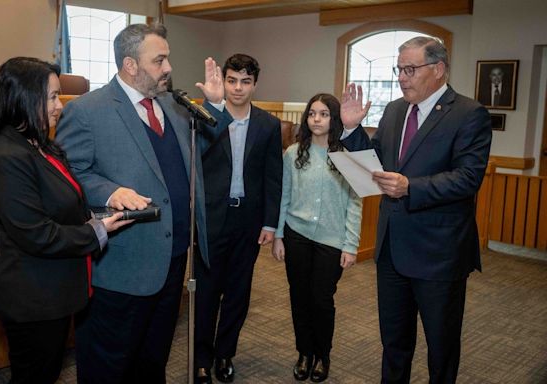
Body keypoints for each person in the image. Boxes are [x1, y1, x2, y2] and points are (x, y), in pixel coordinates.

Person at [55, 24, 227, 383]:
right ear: (131, 65)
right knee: (110, 364)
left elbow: (202, 149)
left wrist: (214, 103)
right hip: (122, 265)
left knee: (154, 359)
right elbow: (68, 175)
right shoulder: (89, 111)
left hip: (174, 257)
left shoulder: (173, 104)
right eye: (159, 60)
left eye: (167, 58)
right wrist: (108, 191)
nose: (168, 67)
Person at [343, 36, 492, 383]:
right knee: (394, 343)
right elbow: (376, 162)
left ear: (438, 70)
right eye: (399, 69)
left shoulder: (469, 114)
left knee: (441, 347)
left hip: (439, 252)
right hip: (393, 248)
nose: (402, 77)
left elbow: (469, 178)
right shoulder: (395, 110)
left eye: (410, 69)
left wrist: (413, 187)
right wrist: (352, 129)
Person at [0, 57, 131, 384]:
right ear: (24, 97)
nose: (58, 106)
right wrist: (96, 231)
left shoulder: (41, 145)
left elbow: (62, 203)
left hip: (55, 292)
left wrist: (94, 213)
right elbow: (37, 234)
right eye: (51, 96)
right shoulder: (6, 156)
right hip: (32, 299)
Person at [193, 53, 283, 383]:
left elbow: (274, 177)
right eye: (232, 80)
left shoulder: (269, 125)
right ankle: (201, 356)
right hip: (211, 219)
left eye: (245, 81)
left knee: (238, 293)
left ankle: (224, 354)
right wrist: (213, 110)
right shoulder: (204, 117)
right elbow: (195, 160)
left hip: (249, 221)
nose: (237, 88)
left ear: (255, 85)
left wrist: (270, 223)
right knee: (205, 293)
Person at [272, 93, 363, 383]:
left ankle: (323, 355)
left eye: (324, 114)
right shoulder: (292, 153)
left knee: (322, 300)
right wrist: (278, 235)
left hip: (331, 241)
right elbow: (283, 196)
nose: (317, 119)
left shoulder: (348, 157)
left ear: (334, 118)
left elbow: (355, 203)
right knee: (299, 298)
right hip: (296, 236)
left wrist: (351, 244)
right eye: (312, 114)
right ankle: (304, 353)